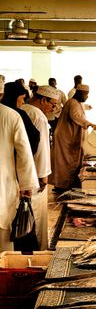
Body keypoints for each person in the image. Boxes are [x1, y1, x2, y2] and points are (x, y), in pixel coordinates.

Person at [22, 85, 60, 249]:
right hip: (35, 175)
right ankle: (36, 253)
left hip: (22, 172)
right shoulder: (38, 116)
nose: (53, 108)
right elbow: (42, 149)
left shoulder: (22, 109)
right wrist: (43, 176)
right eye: (52, 104)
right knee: (35, 217)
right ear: (43, 100)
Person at [0, 103, 38, 251]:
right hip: (3, 187)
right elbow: (24, 154)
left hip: (4, 185)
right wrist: (26, 184)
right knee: (2, 245)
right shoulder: (11, 115)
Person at [51, 84, 96, 192]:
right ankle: (62, 186)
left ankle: (67, 184)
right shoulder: (72, 103)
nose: (87, 97)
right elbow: (76, 117)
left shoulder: (77, 103)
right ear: (80, 93)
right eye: (86, 95)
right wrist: (90, 124)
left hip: (70, 136)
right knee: (65, 162)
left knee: (69, 162)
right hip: (66, 137)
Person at [1, 82, 40, 155]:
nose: (23, 102)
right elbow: (33, 137)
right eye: (22, 98)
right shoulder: (18, 114)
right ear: (13, 97)